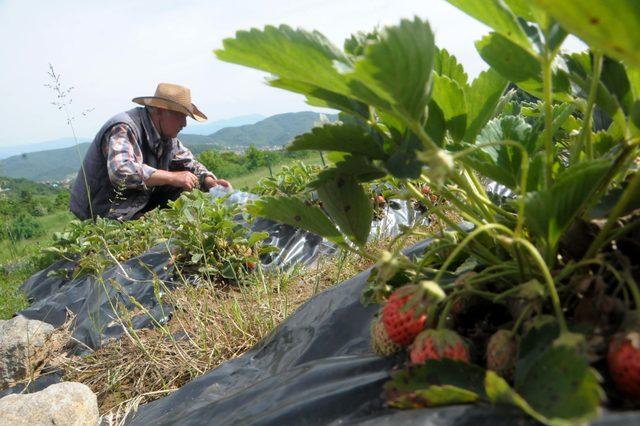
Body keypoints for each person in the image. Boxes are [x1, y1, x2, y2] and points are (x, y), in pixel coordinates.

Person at [70, 83, 231, 221]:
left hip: (136, 201)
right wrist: (172, 177)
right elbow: (121, 172)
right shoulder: (124, 127)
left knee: (186, 183)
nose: (184, 123)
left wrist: (210, 182)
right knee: (177, 180)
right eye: (180, 115)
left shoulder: (167, 137)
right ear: (160, 111)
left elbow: (189, 163)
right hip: (103, 209)